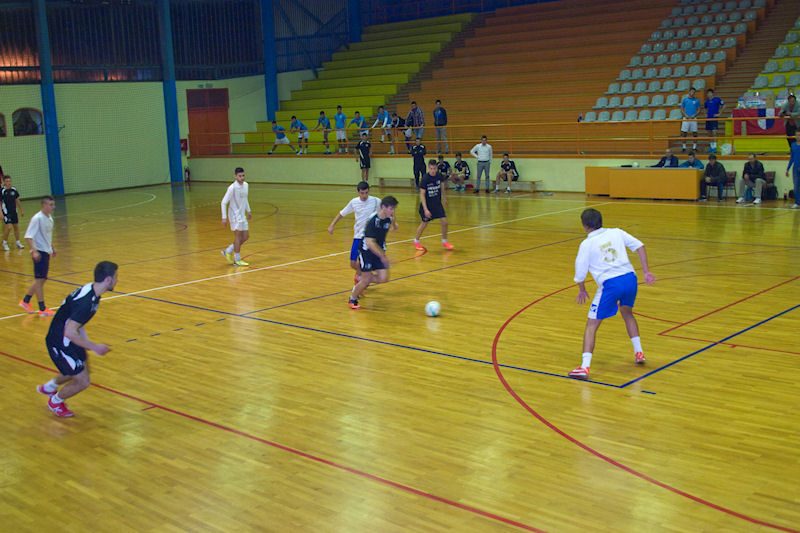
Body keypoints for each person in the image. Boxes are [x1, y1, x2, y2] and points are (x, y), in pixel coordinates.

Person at [568, 208, 656, 379]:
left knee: (592, 324)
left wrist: (582, 289)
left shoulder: (586, 244)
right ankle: (639, 353)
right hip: (630, 279)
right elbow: (640, 246)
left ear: (584, 225)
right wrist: (646, 271)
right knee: (628, 314)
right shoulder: (617, 232)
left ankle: (584, 367)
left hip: (611, 284)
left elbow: (580, 273)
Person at [36, 261, 117, 417]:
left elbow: (78, 322)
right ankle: (55, 402)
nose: (117, 280)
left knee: (79, 370)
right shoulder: (86, 303)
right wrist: (94, 346)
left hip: (70, 338)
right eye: (116, 277)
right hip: (60, 342)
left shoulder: (92, 291)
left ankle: (48, 388)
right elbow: (70, 332)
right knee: (82, 381)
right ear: (108, 279)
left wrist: (85, 343)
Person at [348, 196, 399, 310]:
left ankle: (361, 279)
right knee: (366, 280)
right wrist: (383, 257)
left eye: (394, 209)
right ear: (383, 207)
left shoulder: (389, 217)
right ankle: (353, 298)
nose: (393, 211)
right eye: (391, 209)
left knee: (383, 278)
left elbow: (393, 225)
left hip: (378, 249)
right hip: (367, 251)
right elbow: (370, 242)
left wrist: (394, 226)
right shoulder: (373, 220)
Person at [328, 181, 382, 284]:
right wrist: (332, 224)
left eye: (366, 193)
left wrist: (393, 223)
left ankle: (362, 279)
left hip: (370, 238)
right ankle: (363, 275)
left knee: (365, 261)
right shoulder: (354, 202)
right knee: (353, 264)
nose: (364, 195)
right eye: (362, 193)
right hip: (357, 236)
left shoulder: (376, 201)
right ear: (358, 192)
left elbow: (387, 211)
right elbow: (341, 213)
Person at [19, 195, 56, 317]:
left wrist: (52, 247)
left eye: (53, 204)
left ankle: (26, 301)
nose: (53, 207)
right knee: (40, 281)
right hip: (39, 252)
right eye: (50, 205)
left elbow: (47, 235)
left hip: (46, 251)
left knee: (42, 279)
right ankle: (42, 309)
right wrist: (34, 251)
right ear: (44, 205)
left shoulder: (49, 218)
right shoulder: (37, 218)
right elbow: (28, 236)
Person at [413, 159, 454, 252]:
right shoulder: (425, 179)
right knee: (424, 224)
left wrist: (444, 198)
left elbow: (442, 187)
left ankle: (444, 241)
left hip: (437, 203)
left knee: (445, 222)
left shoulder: (439, 176)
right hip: (427, 205)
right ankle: (416, 241)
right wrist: (425, 209)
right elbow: (422, 194)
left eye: (434, 168)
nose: (433, 170)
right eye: (431, 168)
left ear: (436, 168)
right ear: (428, 168)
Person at [220, 167, 252, 266]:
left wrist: (248, 210)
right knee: (238, 236)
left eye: (243, 175)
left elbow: (245, 199)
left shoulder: (246, 185)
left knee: (246, 236)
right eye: (240, 176)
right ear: (235, 176)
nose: (242, 178)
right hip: (234, 215)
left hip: (242, 214)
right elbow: (223, 202)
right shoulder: (232, 188)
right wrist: (224, 217)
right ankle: (237, 259)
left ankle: (228, 250)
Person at [1, 174, 24, 250]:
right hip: (6, 212)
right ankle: (4, 243)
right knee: (9, 227)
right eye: (7, 181)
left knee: (16, 226)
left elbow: (17, 200)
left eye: (9, 181)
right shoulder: (2, 191)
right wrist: (1, 213)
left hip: (14, 211)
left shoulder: (13, 190)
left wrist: (21, 209)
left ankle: (18, 242)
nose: (8, 183)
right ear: (4, 182)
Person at [703, 89, 725, 154]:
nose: (709, 94)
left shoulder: (717, 99)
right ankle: (711, 146)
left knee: (714, 132)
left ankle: (715, 147)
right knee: (709, 133)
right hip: (708, 119)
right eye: (708, 93)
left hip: (714, 118)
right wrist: (705, 114)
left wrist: (719, 114)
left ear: (712, 93)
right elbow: (705, 108)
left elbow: (724, 105)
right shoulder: (706, 101)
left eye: (710, 93)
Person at [680, 87, 700, 153]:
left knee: (695, 133)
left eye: (693, 92)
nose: (692, 93)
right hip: (686, 118)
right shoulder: (685, 100)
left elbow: (699, 110)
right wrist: (685, 115)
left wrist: (695, 115)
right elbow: (682, 109)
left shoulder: (697, 100)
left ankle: (694, 147)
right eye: (691, 92)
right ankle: (684, 147)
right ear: (689, 92)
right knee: (684, 133)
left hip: (693, 118)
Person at [786, 130, 800, 209]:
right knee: (796, 186)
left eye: (799, 135)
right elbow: (792, 158)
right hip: (795, 169)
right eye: (797, 135)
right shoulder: (793, 145)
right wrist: (787, 169)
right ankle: (797, 203)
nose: (798, 136)